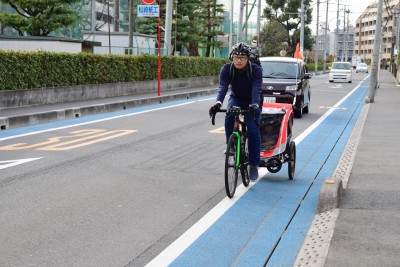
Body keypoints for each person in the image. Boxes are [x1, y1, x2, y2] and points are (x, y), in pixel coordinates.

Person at [209, 42, 263, 181]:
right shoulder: (227, 69)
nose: (239, 60)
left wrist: (255, 105)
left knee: (252, 130)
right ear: (232, 57)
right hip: (237, 99)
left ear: (248, 58)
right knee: (229, 117)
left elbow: (256, 89)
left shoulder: (256, 70)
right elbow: (222, 87)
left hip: (253, 101)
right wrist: (218, 103)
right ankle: (231, 145)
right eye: (236, 57)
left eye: (243, 57)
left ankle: (253, 165)